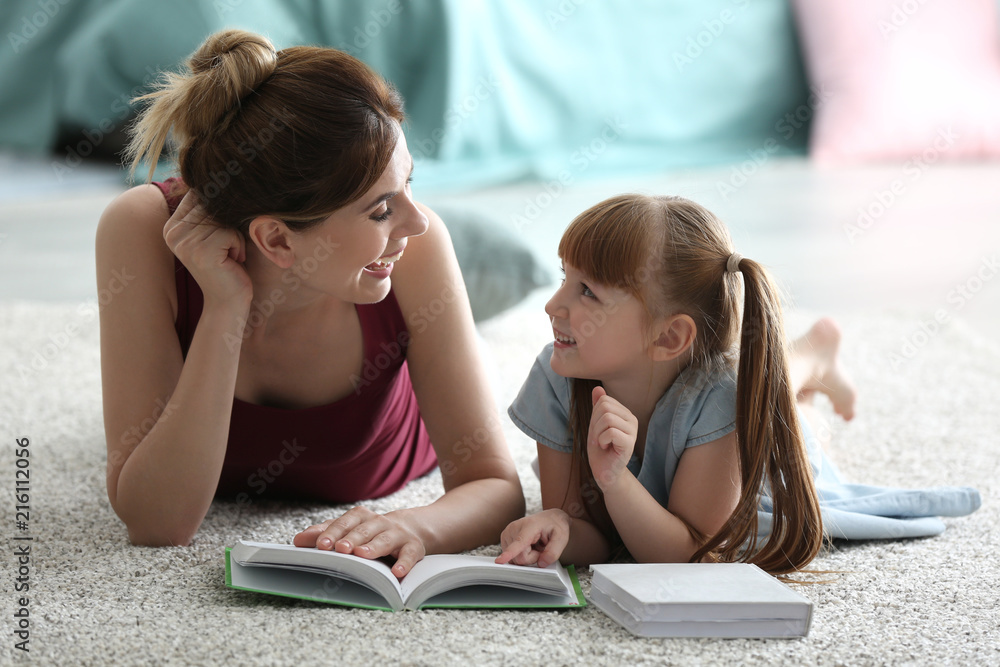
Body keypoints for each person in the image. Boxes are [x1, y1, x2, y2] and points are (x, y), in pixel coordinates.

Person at [95, 29, 524, 577]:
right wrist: (225, 307)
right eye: (381, 209)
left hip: (393, 408)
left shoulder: (418, 246)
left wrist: (419, 525)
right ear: (276, 240)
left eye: (409, 184)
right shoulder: (143, 230)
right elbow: (157, 524)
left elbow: (494, 484)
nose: (417, 223)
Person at [494, 193, 972, 575]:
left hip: (757, 454)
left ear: (668, 335)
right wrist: (558, 523)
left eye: (587, 291)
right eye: (564, 278)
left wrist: (615, 480)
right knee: (771, 382)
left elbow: (691, 550)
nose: (552, 305)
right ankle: (813, 355)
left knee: (796, 420)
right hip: (709, 396)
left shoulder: (725, 399)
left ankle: (814, 356)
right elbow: (593, 532)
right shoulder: (557, 378)